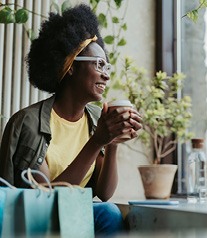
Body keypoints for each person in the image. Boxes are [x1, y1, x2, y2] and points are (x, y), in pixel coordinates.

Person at [0, 4, 142, 236]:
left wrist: (112, 143)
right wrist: (96, 142)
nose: (106, 74)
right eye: (98, 65)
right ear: (72, 66)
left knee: (110, 212)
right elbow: (47, 200)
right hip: (36, 221)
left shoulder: (96, 119)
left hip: (74, 215)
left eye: (107, 66)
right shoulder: (28, 123)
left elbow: (104, 193)